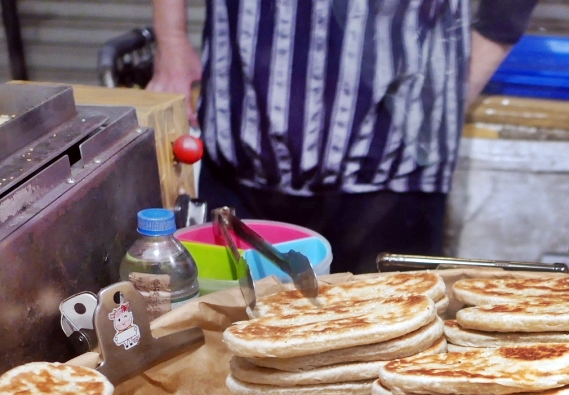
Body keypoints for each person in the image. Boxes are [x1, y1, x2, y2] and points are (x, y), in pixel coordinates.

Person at [149, 0, 538, 273]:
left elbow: (506, 14)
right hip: (243, 144)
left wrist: (453, 89)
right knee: (227, 354)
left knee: (393, 356)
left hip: (394, 170)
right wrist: (172, 40)